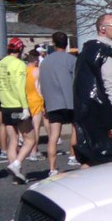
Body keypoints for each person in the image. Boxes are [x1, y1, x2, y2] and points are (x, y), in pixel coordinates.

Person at [73, 13, 112, 167]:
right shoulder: (106, 53)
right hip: (106, 113)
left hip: (86, 111)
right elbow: (111, 85)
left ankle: (83, 180)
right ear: (102, 29)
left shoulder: (85, 52)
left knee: (91, 156)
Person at [0, 37, 36, 183]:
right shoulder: (19, 64)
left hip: (5, 105)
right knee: (30, 139)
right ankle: (16, 164)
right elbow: (19, 87)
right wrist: (25, 107)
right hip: (17, 105)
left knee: (13, 140)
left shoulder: (0, 64)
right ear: (20, 49)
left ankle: (16, 175)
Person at [39, 31, 78, 176]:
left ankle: (52, 168)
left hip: (53, 101)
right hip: (70, 100)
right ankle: (72, 156)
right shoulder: (72, 60)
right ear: (66, 43)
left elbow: (42, 84)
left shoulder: (45, 62)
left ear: (54, 43)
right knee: (75, 129)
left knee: (54, 136)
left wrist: (45, 102)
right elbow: (77, 81)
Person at [25, 50, 46, 161]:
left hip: (26, 99)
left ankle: (28, 149)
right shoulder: (37, 70)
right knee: (36, 127)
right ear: (36, 61)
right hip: (37, 100)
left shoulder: (23, 70)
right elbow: (41, 87)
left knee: (27, 128)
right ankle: (34, 151)